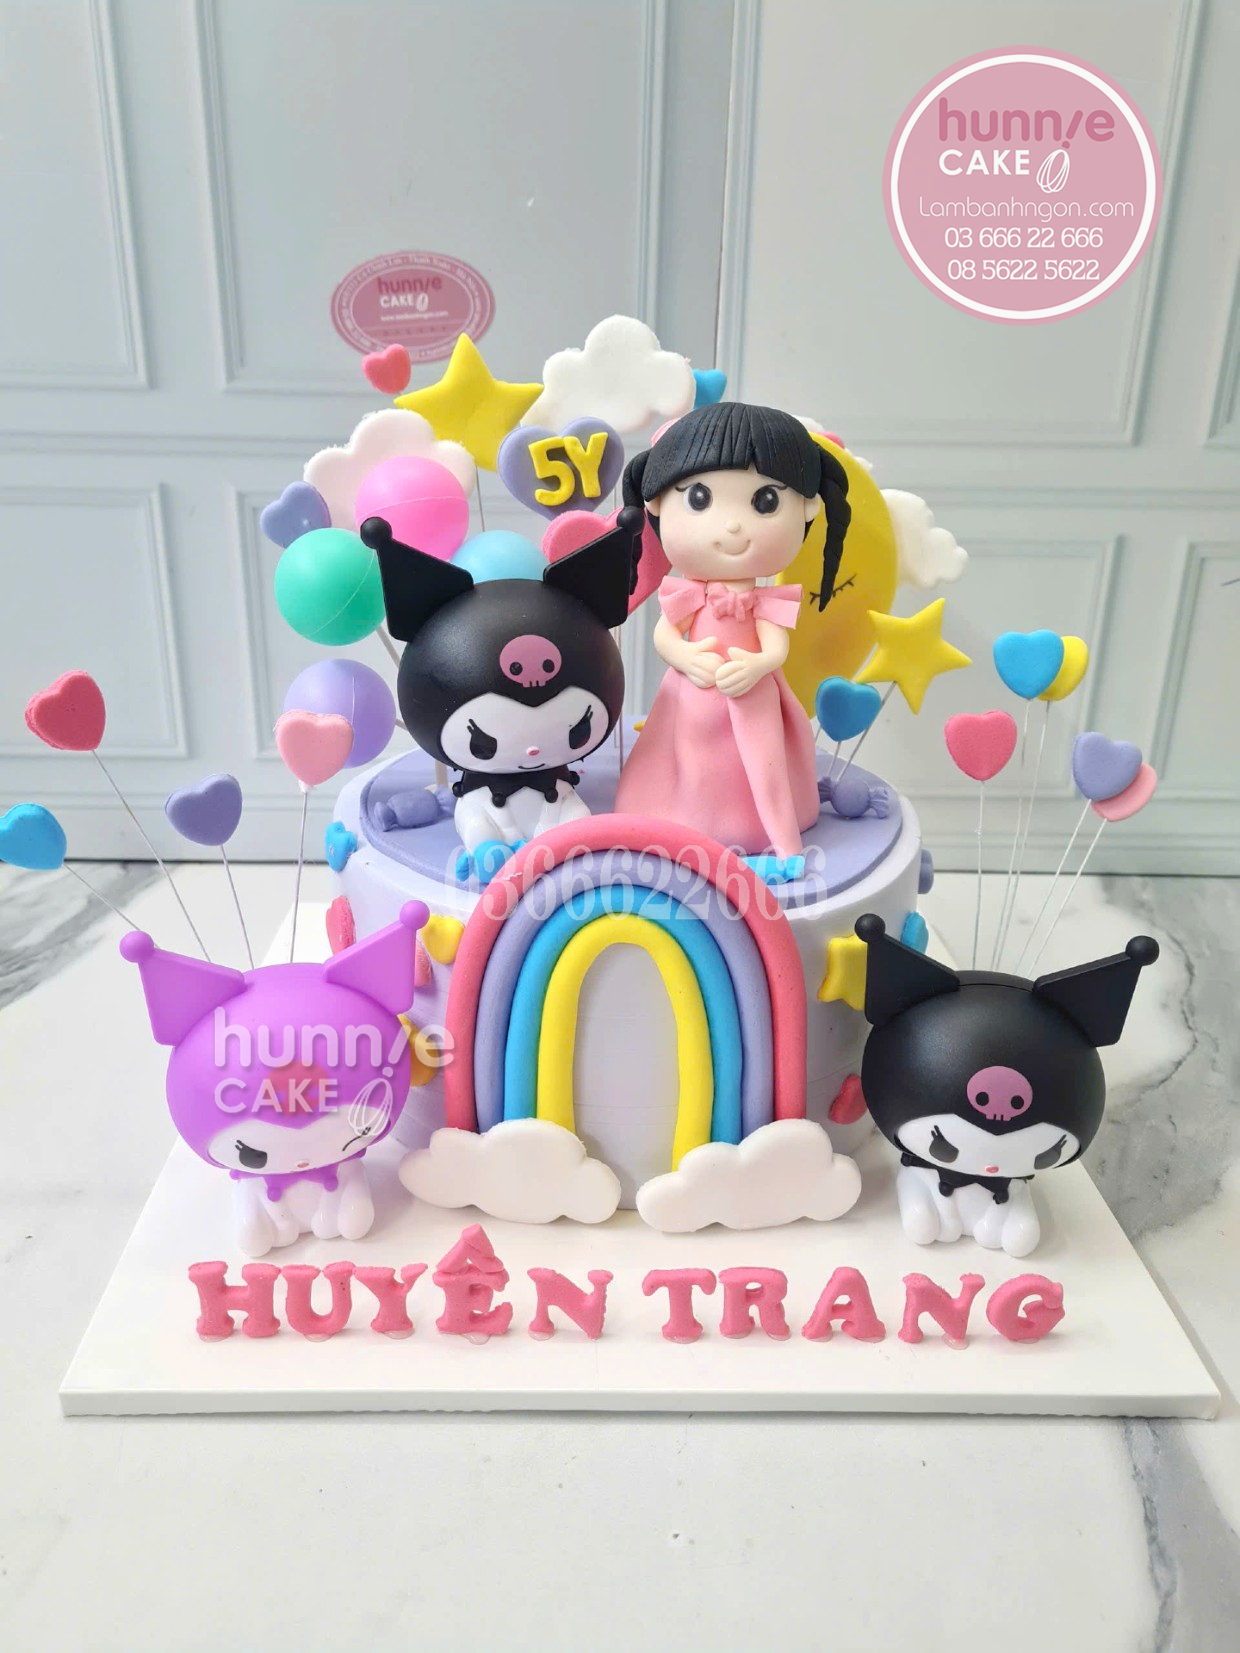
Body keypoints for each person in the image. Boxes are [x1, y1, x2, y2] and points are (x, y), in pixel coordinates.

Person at [615, 402, 851, 869]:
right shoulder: (689, 594)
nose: (733, 526)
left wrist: (758, 665)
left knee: (761, 762)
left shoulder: (763, 600)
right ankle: (682, 818)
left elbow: (776, 646)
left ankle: (777, 840)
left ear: (808, 508)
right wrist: (684, 657)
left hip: (752, 694)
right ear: (656, 503)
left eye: (766, 502)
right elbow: (666, 636)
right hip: (693, 696)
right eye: (699, 498)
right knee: (687, 758)